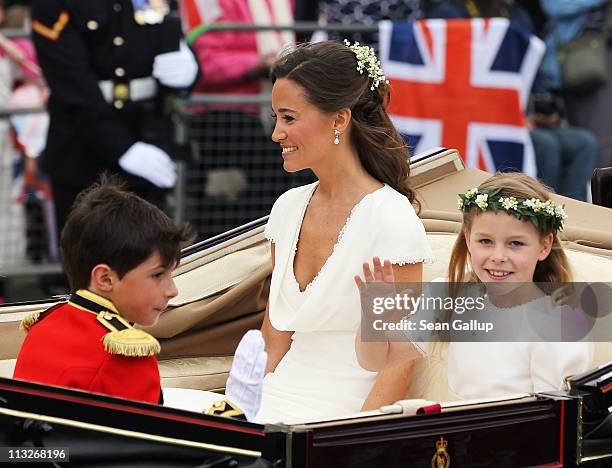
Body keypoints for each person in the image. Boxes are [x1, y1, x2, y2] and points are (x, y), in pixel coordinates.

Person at [255, 40, 433, 423]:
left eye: (288, 118)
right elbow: (275, 336)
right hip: (274, 403)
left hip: (344, 418)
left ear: (339, 119)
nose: (276, 134)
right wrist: (246, 410)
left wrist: (351, 443)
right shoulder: (286, 210)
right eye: (275, 119)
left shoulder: (391, 218)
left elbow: (398, 364)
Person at [355, 172, 593, 398]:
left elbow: (556, 418)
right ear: (468, 238)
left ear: (544, 246)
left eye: (516, 244)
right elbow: (377, 359)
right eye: (486, 241)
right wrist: (373, 317)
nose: (498, 256)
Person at [13, 176, 191, 404]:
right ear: (105, 279)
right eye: (158, 275)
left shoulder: (45, 324)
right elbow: (146, 438)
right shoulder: (123, 356)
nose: (172, 290)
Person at [30, 0, 199, 233]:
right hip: (83, 151)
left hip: (149, 137)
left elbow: (168, 35)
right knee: (90, 257)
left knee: (151, 257)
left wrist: (190, 69)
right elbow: (72, 86)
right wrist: (123, 148)